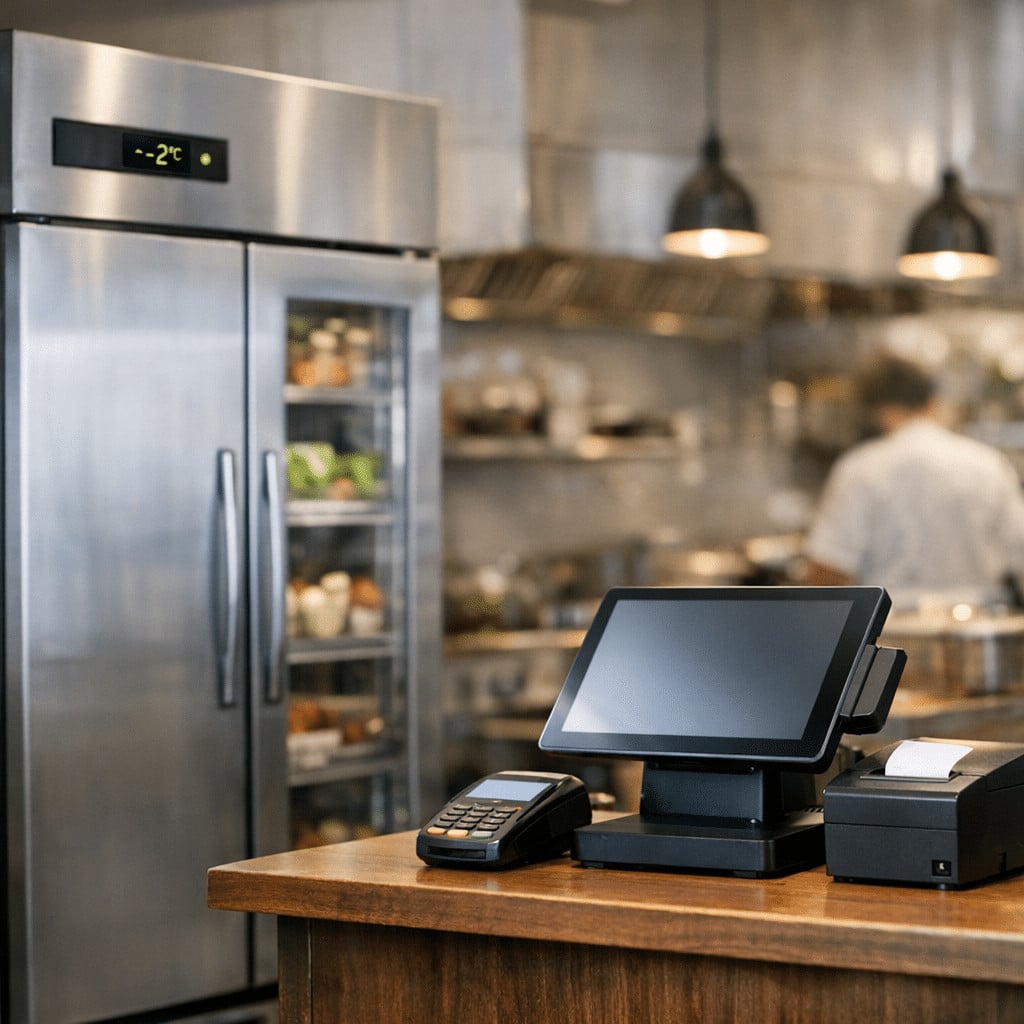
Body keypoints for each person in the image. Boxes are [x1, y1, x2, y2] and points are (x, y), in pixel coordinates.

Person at [803, 355, 1024, 610]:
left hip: (889, 631)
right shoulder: (989, 463)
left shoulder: (860, 468)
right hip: (980, 629)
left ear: (878, 411)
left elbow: (828, 571)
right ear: (933, 402)